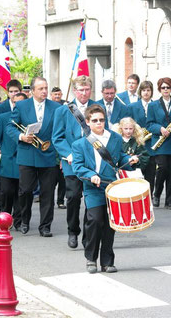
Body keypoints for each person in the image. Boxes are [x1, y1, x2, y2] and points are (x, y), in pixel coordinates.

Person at [71, 104, 138, 273]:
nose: (99, 123)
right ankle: (91, 258)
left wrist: (129, 160)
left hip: (111, 186)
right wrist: (90, 175)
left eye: (102, 120)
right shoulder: (80, 144)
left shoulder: (114, 138)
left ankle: (107, 261)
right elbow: (78, 166)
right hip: (92, 187)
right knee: (95, 220)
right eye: (95, 121)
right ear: (87, 122)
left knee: (110, 224)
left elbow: (119, 157)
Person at [8, 77, 62, 236]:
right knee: (25, 191)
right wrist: (21, 136)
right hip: (27, 153)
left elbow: (60, 130)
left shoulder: (56, 106)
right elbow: (10, 126)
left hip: (48, 154)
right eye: (41, 89)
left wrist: (60, 156)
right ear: (32, 91)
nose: (44, 91)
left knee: (47, 193)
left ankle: (45, 226)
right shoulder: (22, 105)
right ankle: (24, 220)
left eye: (46, 88)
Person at [52, 75, 99, 248]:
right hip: (72, 161)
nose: (84, 93)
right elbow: (57, 138)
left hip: (92, 161)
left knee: (92, 199)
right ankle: (73, 230)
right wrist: (69, 154)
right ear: (74, 91)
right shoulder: (64, 110)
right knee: (72, 197)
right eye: (81, 90)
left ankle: (89, 235)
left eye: (87, 89)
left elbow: (102, 132)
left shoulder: (96, 107)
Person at [0, 92, 27, 227]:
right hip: (7, 161)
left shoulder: (29, 118)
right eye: (15, 102)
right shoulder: (3, 118)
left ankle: (18, 220)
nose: (18, 105)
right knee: (6, 191)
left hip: (24, 161)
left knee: (21, 192)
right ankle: (5, 217)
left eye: (21, 103)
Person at [147, 77, 171, 209]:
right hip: (160, 143)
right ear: (159, 89)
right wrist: (160, 129)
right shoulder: (152, 105)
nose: (166, 90)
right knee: (162, 168)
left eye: (168, 87)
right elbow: (149, 124)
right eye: (163, 87)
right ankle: (156, 194)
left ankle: (169, 200)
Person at [129, 80, 156, 193]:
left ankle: (149, 195)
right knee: (138, 171)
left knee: (151, 172)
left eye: (148, 90)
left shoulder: (156, 105)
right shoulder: (132, 106)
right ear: (140, 92)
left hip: (152, 144)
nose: (146, 93)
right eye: (144, 90)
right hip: (137, 143)